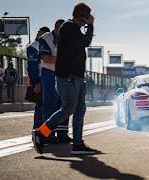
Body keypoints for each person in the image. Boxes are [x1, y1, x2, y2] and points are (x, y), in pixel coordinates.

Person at [33, 3, 98, 155]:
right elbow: (86, 42)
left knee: (79, 110)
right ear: (81, 17)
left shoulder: (74, 29)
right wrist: (91, 26)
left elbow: (84, 43)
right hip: (68, 77)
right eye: (85, 20)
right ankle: (41, 133)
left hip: (77, 77)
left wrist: (89, 26)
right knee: (68, 108)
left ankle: (77, 144)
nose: (85, 23)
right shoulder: (68, 27)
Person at [39, 19, 72, 143]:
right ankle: (48, 135)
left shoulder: (68, 39)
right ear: (56, 28)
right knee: (50, 104)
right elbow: (46, 58)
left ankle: (63, 134)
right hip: (49, 73)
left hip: (64, 74)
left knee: (64, 105)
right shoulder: (45, 38)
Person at [27, 26, 51, 130]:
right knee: (41, 106)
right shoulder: (33, 47)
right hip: (40, 80)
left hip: (48, 78)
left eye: (40, 32)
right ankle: (38, 131)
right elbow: (32, 67)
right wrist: (36, 82)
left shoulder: (48, 46)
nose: (37, 34)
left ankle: (45, 132)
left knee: (48, 107)